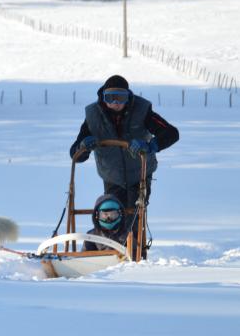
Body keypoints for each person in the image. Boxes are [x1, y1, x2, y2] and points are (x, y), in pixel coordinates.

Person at [70, 75, 179, 258]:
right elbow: (75, 154)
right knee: (111, 216)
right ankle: (106, 254)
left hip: (140, 174)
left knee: (135, 216)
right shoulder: (93, 116)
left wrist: (151, 145)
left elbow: (171, 133)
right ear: (102, 97)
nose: (115, 103)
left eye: (120, 97)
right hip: (112, 176)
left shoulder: (142, 110)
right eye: (110, 97)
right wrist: (84, 146)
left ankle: (135, 255)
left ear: (128, 97)